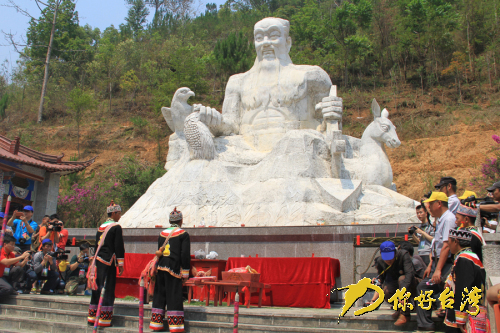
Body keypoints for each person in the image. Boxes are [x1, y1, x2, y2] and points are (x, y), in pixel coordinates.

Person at [214, 17, 342, 146]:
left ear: (288, 42)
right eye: (259, 38)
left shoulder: (312, 76)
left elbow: (328, 127)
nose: (265, 43)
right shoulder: (237, 82)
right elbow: (230, 126)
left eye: (273, 36)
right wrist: (212, 121)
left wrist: (332, 113)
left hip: (297, 148)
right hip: (245, 149)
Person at [416, 191, 456, 331]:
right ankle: (426, 324)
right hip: (438, 262)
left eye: (431, 204)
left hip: (446, 264)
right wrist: (432, 265)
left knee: (429, 287)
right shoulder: (441, 219)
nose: (428, 207)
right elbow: (437, 245)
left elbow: (446, 246)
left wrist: (438, 269)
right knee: (424, 287)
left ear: (439, 204)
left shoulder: (449, 219)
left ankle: (438, 323)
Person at [150, 207, 191, 332]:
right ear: (181, 221)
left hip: (161, 267)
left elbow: (159, 252)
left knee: (159, 295)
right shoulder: (183, 234)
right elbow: (184, 255)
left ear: (169, 220)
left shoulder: (162, 234)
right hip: (173, 269)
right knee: (174, 296)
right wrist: (185, 273)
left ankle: (156, 324)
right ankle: (175, 326)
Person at [88, 201, 125, 328]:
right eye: (119, 213)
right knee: (108, 288)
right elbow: (118, 246)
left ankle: (93, 316)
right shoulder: (116, 227)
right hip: (109, 261)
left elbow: (96, 245)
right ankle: (104, 318)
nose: (120, 216)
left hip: (98, 260)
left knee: (97, 287)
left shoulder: (101, 227)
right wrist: (120, 263)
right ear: (114, 213)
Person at [444, 228, 486, 333]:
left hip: (462, 318)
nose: (448, 244)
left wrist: (460, 318)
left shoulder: (465, 259)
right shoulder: (468, 257)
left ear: (456, 241)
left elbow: (463, 289)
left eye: (449, 241)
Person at [372, 241, 416, 326]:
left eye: (390, 257)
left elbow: (409, 274)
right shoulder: (381, 261)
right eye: (386, 257)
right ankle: (399, 308)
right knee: (386, 292)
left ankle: (405, 314)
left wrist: (403, 292)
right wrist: (378, 280)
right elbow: (381, 276)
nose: (388, 260)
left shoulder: (403, 255)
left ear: (395, 252)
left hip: (411, 284)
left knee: (402, 279)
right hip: (397, 286)